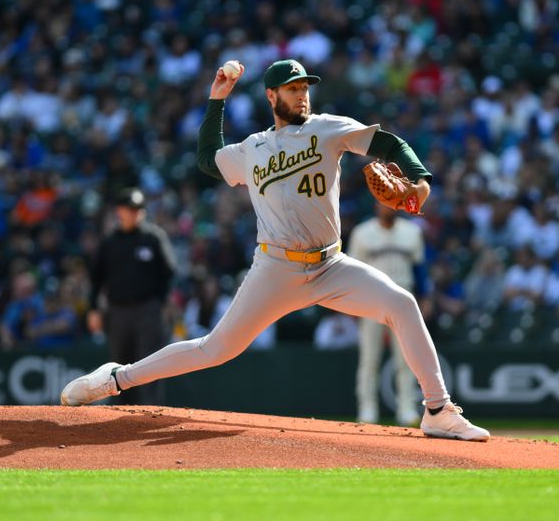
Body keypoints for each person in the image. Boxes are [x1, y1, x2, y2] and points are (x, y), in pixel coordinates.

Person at [62, 59, 489, 441]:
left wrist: (419, 181)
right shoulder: (252, 149)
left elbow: (391, 145)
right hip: (276, 268)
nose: (302, 95)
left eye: (305, 87)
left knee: (402, 303)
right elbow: (209, 160)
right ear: (272, 95)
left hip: (330, 264)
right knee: (215, 349)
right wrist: (217, 100)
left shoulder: (327, 128)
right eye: (293, 88)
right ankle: (116, 379)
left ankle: (437, 411)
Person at [87, 187, 176, 405]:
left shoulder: (153, 237)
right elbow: (96, 279)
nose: (135, 213)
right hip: (117, 312)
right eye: (130, 209)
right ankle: (120, 417)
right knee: (119, 366)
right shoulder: (109, 242)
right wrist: (93, 309)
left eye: (138, 209)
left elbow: (170, 271)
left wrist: (163, 303)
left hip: (148, 310)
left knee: (149, 363)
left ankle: (150, 413)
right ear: (119, 211)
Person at [348, 205, 424, 426]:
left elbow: (419, 271)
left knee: (406, 359)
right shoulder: (362, 233)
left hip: (403, 301)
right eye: (384, 201)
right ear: (376, 204)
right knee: (369, 359)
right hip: (372, 301)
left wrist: (425, 298)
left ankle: (406, 408)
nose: (388, 206)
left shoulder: (412, 232)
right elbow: (353, 273)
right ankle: (367, 410)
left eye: (392, 201)